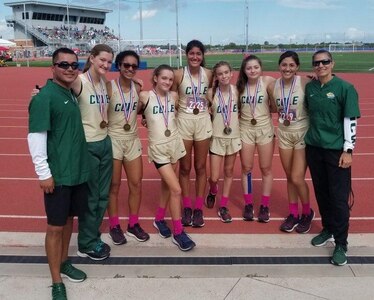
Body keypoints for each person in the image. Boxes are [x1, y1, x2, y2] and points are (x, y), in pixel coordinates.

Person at [28, 47, 90, 300]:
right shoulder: (45, 97)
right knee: (55, 227)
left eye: (74, 65)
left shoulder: (70, 91)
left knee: (68, 222)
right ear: (52, 67)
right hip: (59, 174)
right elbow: (35, 137)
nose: (69, 69)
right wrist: (44, 173)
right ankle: (56, 281)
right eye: (63, 64)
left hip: (76, 172)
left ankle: (64, 262)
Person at [305, 49, 360, 266]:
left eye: (325, 62)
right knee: (322, 192)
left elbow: (350, 120)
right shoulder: (310, 87)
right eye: (317, 63)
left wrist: (348, 150)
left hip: (336, 150)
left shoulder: (345, 88)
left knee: (338, 199)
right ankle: (328, 228)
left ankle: (341, 243)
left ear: (332, 63)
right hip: (314, 148)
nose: (321, 66)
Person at [140, 64, 196, 251]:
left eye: (171, 79)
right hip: (158, 149)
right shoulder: (145, 96)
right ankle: (178, 232)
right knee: (176, 189)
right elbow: (136, 111)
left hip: (175, 144)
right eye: (164, 78)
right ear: (155, 77)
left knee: (167, 185)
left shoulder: (173, 97)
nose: (167, 82)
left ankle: (158, 219)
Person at [72, 44, 114, 260]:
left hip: (105, 141)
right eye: (102, 60)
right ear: (92, 58)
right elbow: (57, 87)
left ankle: (93, 236)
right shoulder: (80, 81)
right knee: (91, 196)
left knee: (102, 195)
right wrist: (39, 92)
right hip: (88, 145)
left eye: (109, 61)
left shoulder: (103, 83)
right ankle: (86, 244)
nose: (106, 65)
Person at [106, 50, 149, 245]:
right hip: (113, 140)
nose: (130, 69)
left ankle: (133, 224)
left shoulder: (138, 88)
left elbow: (138, 110)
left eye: (134, 66)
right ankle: (114, 225)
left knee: (136, 184)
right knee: (114, 186)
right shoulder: (109, 87)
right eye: (126, 65)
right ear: (118, 66)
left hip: (132, 140)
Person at [269, 51, 314, 233]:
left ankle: (307, 212)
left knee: (297, 177)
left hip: (302, 132)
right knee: (289, 177)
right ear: (279, 66)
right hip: (284, 133)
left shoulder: (305, 82)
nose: (287, 68)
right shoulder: (273, 85)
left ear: (297, 68)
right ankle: (293, 214)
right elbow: (272, 106)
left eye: (291, 65)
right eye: (284, 65)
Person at [172, 40, 213, 228]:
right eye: (192, 53)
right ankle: (186, 206)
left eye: (198, 53)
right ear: (186, 55)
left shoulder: (210, 75)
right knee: (185, 167)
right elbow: (170, 97)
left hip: (203, 121)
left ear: (202, 56)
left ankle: (198, 208)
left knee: (201, 166)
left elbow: (216, 95)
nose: (195, 57)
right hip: (184, 122)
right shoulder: (179, 74)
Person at [236, 55, 275, 223]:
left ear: (261, 68)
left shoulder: (268, 81)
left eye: (255, 67)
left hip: (264, 129)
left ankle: (265, 205)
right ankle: (249, 204)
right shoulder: (239, 87)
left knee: (266, 168)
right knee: (246, 167)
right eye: (249, 68)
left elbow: (289, 86)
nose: (252, 70)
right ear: (244, 70)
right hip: (245, 129)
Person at [205, 61, 241, 223]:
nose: (224, 76)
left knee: (228, 172)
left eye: (226, 72)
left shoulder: (237, 91)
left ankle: (224, 205)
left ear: (231, 73)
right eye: (220, 73)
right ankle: (213, 191)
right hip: (217, 138)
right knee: (213, 176)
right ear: (216, 76)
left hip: (233, 138)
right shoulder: (211, 93)